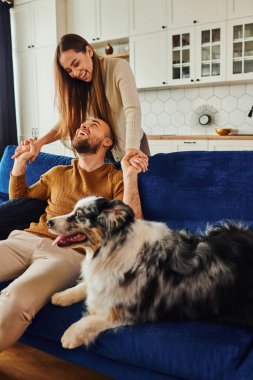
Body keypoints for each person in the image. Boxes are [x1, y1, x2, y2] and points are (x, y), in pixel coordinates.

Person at [0, 118, 148, 351]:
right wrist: (20, 162)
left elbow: (131, 225)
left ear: (106, 142)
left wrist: (129, 175)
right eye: (82, 124)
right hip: (25, 238)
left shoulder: (114, 178)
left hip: (68, 254)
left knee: (16, 299)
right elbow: (20, 200)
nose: (83, 126)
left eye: (94, 125)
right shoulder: (58, 172)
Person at [14, 33, 150, 163]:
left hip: (133, 148)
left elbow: (132, 109)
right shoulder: (78, 87)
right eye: (69, 70)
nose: (75, 73)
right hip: (103, 154)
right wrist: (39, 143)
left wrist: (131, 149)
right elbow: (66, 122)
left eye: (76, 63)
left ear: (89, 51)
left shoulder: (118, 67)